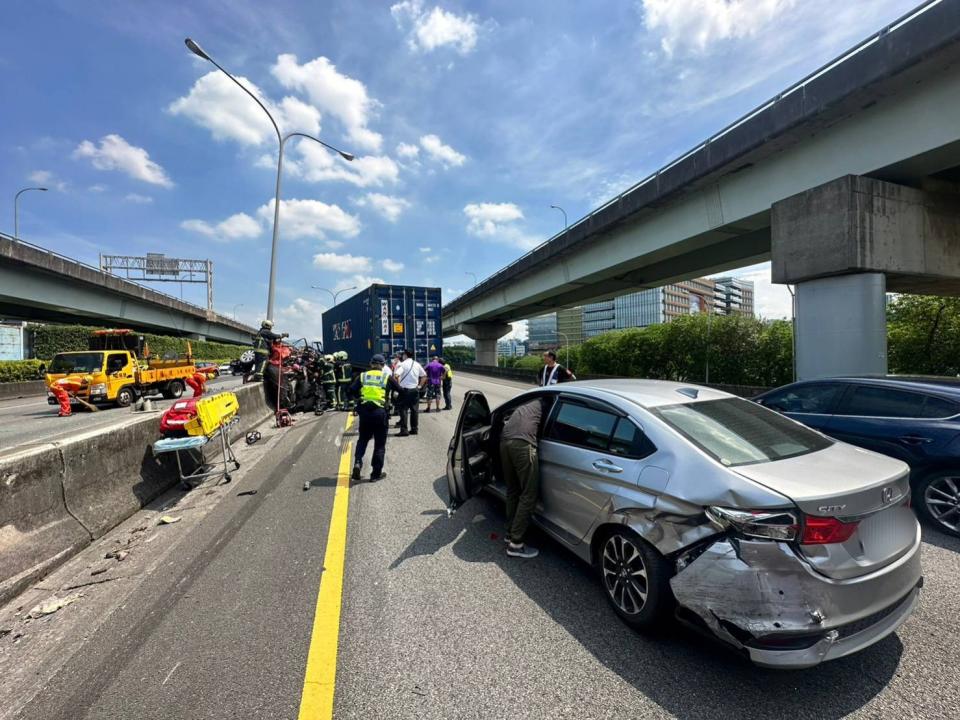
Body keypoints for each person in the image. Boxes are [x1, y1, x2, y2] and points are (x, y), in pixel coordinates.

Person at [501, 397, 548, 559]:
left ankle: (509, 533)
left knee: (513, 490)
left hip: (505, 440)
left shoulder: (530, 400)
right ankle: (516, 544)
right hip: (522, 444)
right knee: (529, 494)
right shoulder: (548, 402)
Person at [348, 354, 401, 481]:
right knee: (379, 444)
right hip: (380, 413)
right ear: (383, 365)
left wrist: (359, 399)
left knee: (362, 440)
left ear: (371, 364)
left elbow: (350, 391)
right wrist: (396, 402)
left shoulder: (363, 376)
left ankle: (357, 462)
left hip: (365, 413)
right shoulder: (386, 377)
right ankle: (375, 474)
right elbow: (400, 391)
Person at [393, 349, 426, 436]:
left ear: (405, 355)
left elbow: (396, 375)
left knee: (403, 410)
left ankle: (404, 430)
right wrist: (419, 386)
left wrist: (398, 386)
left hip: (405, 390)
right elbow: (424, 376)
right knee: (414, 410)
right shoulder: (417, 364)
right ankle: (414, 429)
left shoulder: (402, 364)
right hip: (415, 390)